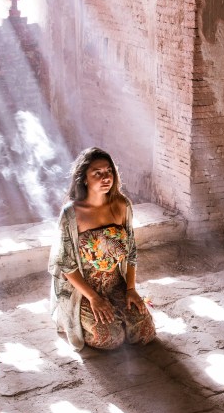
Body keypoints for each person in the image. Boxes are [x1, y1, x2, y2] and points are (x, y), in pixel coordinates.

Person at [48, 147, 156, 351]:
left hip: (116, 283)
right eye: (97, 173)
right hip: (83, 289)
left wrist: (131, 289)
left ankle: (119, 311)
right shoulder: (71, 213)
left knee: (144, 332)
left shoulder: (122, 205)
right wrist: (94, 298)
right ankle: (79, 316)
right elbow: (65, 264)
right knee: (110, 338)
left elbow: (131, 251)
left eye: (109, 171)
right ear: (84, 178)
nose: (106, 177)